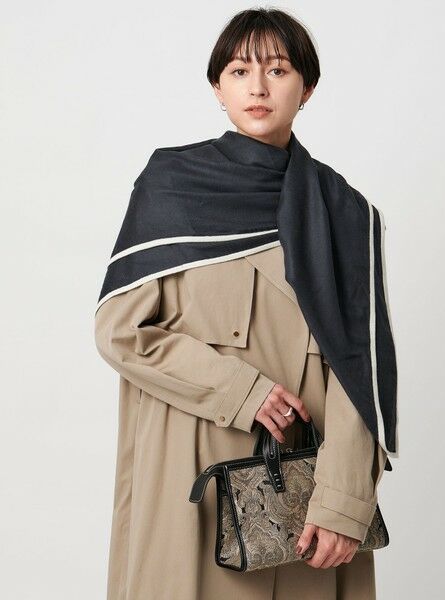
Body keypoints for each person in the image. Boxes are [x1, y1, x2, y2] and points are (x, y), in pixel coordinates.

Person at [94, 7, 398, 599]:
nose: (258, 87)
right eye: (239, 71)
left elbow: (359, 373)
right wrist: (242, 392)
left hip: (308, 488)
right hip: (190, 481)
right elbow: (121, 332)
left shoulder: (344, 213)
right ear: (218, 87)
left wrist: (343, 501)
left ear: (307, 88)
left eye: (277, 70)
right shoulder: (170, 186)